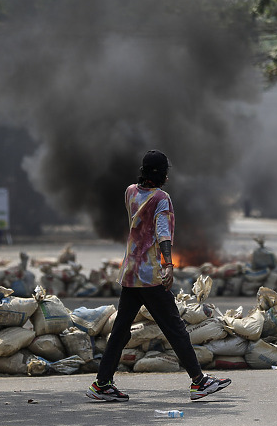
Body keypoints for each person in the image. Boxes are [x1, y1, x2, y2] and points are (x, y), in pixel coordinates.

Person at [86, 150, 231, 402]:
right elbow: (162, 232)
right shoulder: (161, 198)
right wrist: (168, 264)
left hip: (131, 271)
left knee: (121, 329)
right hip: (150, 274)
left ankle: (102, 383)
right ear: (162, 174)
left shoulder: (130, 191)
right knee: (174, 327)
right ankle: (198, 382)